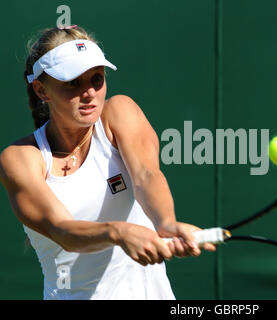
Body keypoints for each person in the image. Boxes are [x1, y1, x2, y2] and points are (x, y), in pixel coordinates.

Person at [0, 25, 215, 300]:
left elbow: (147, 175)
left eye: (97, 79)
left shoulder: (119, 112)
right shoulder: (20, 157)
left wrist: (167, 223)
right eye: (72, 83)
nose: (89, 92)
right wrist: (118, 232)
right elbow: (61, 229)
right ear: (43, 90)